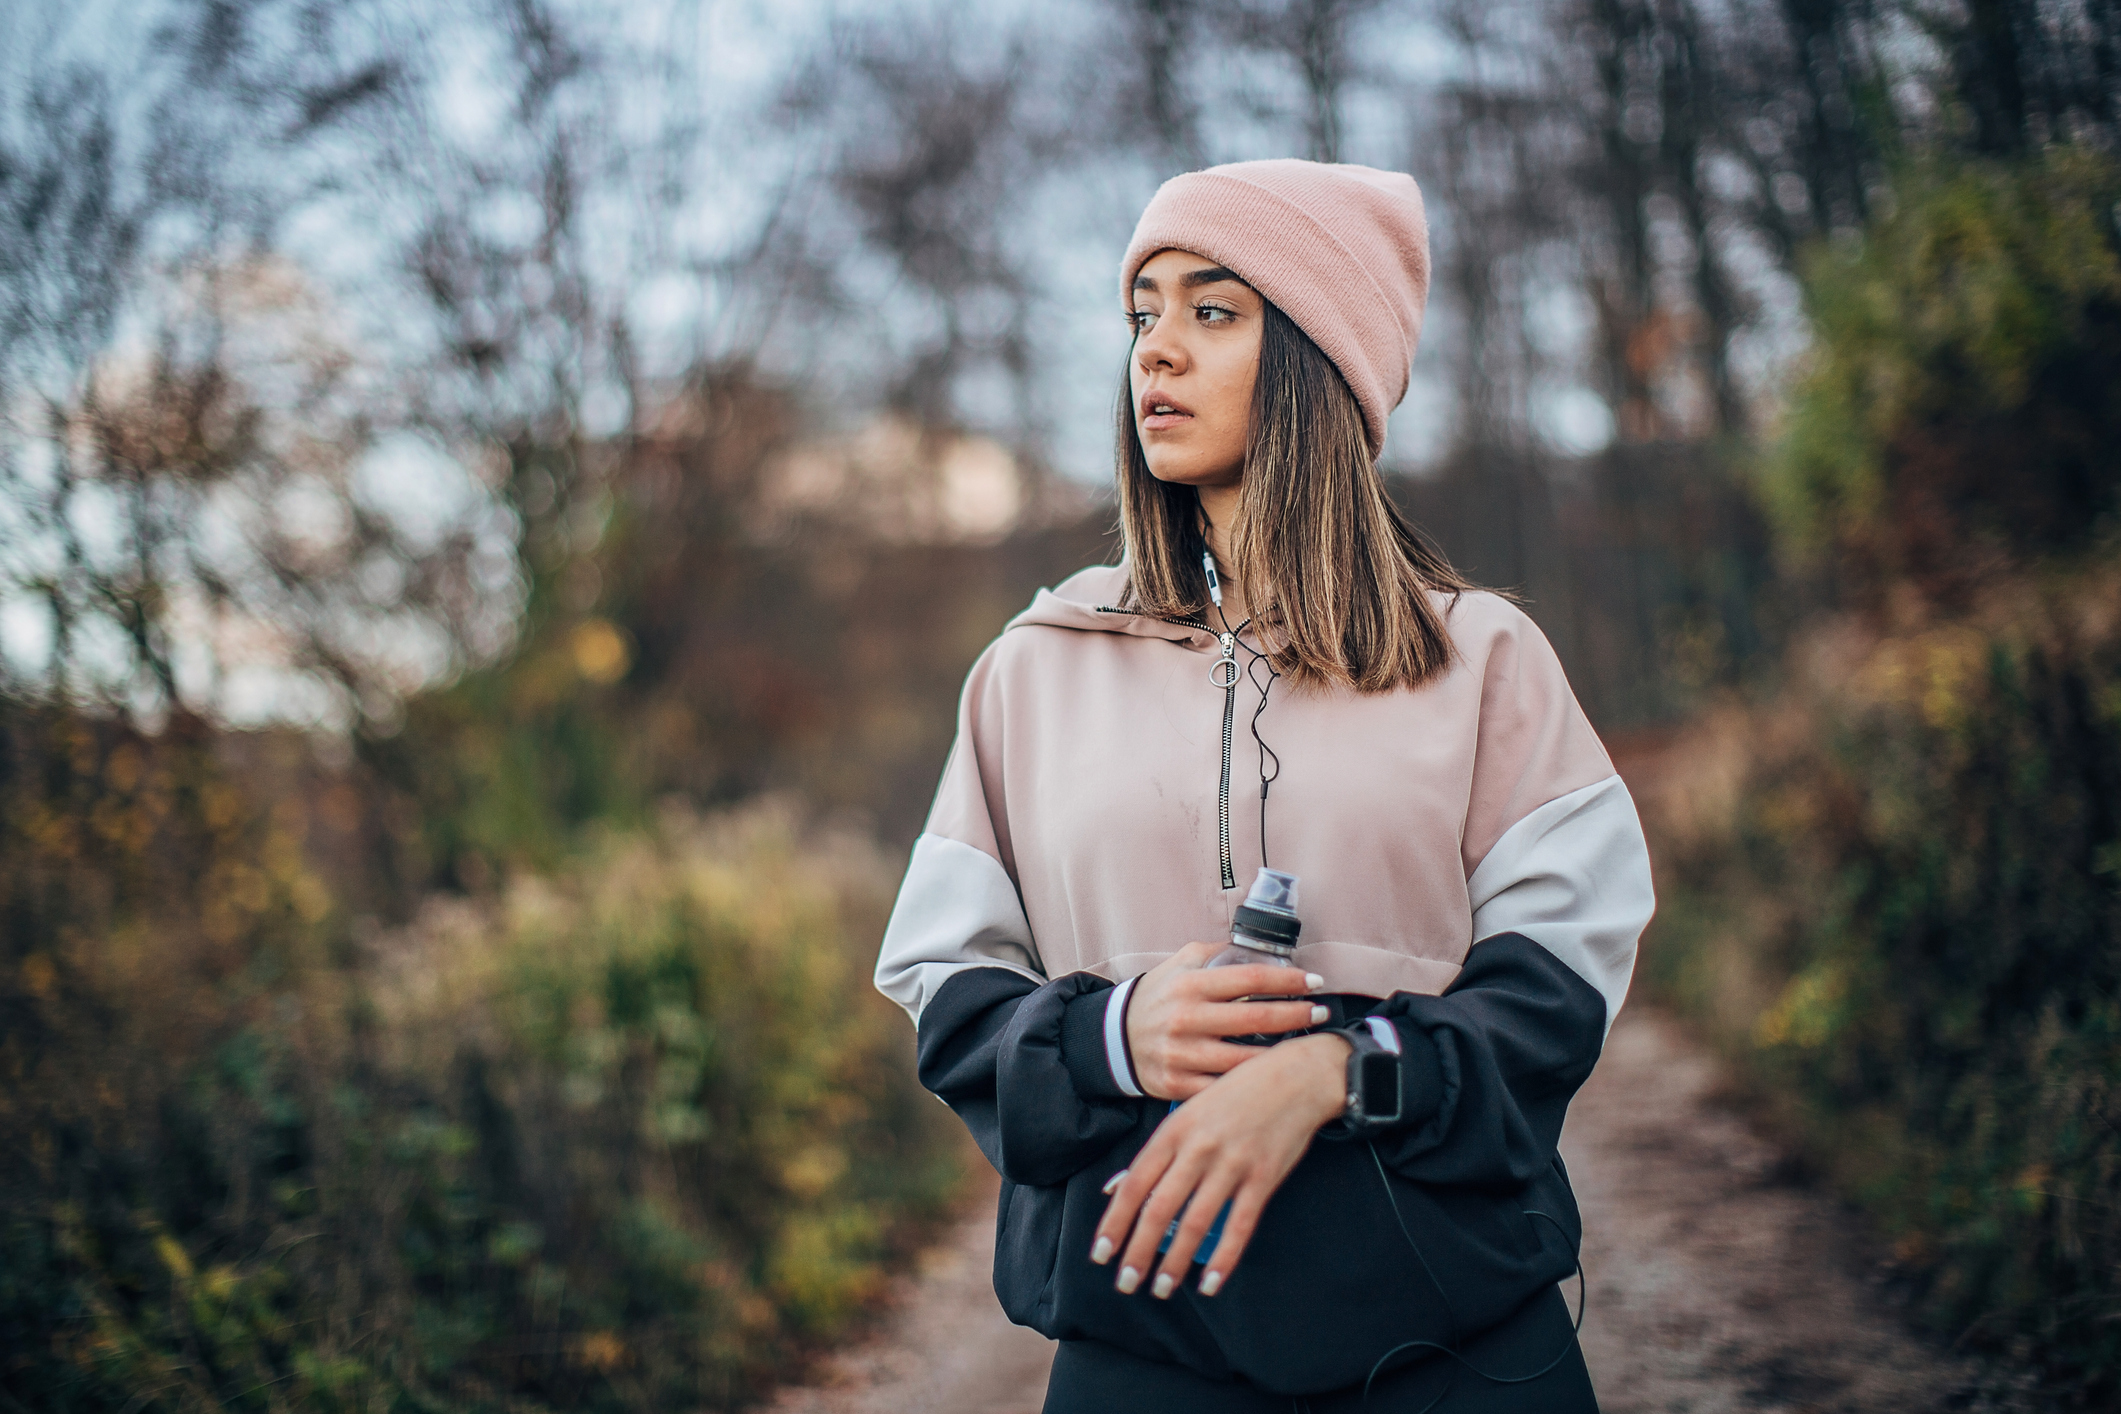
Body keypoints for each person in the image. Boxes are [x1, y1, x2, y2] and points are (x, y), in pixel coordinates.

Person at [874, 159, 1654, 1413]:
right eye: (1143, 313)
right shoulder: (1033, 670)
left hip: (1455, 1351)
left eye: (1213, 310)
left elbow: (1556, 997)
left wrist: (1342, 1066)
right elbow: (951, 999)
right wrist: (1115, 1036)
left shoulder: (1482, 660)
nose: (1157, 353)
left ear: (1319, 357)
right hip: (1145, 1358)